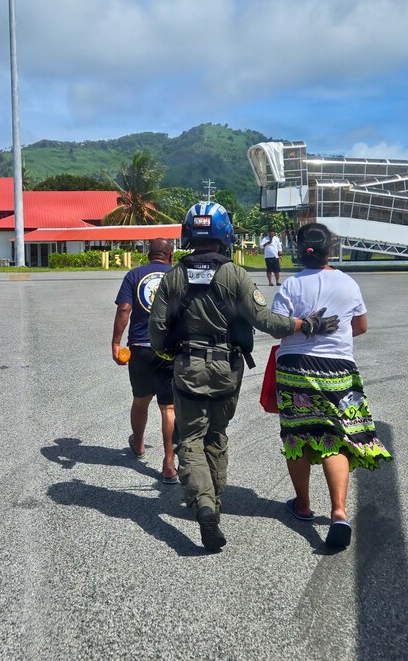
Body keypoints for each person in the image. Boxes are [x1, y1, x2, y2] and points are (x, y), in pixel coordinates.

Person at [148, 202, 339, 552]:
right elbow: (265, 320)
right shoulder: (235, 274)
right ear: (224, 233)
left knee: (190, 439)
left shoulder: (173, 277)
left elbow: (157, 330)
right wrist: (307, 325)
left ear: (189, 233)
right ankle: (214, 502)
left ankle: (204, 505)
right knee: (216, 434)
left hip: (187, 367)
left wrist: (170, 354)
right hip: (226, 369)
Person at [270, 222, 392, 549]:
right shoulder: (348, 283)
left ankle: (303, 505)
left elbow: (277, 329)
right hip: (338, 370)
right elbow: (361, 326)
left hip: (295, 369)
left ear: (299, 250)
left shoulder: (291, 286)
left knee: (297, 436)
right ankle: (339, 512)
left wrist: (304, 329)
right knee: (334, 438)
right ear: (330, 250)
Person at [112, 238, 177, 483]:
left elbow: (124, 309)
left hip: (140, 347)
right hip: (170, 349)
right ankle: (169, 464)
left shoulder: (134, 275)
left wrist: (116, 343)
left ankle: (138, 444)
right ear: (170, 255)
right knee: (168, 408)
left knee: (141, 400)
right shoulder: (178, 275)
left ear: (149, 254)